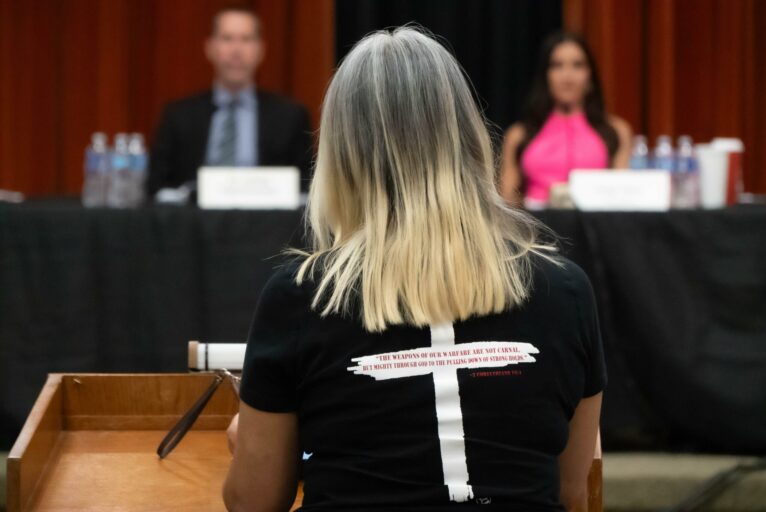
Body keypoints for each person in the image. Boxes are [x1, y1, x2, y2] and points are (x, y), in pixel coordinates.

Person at [223, 27, 605, 512]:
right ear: (467, 138)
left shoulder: (302, 297)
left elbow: (253, 502)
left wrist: (257, 447)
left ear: (341, 152)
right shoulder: (566, 291)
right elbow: (573, 491)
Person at [147, 6, 313, 197]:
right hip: (197, 222)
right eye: (227, 38)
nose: (236, 50)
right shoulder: (178, 116)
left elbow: (307, 187)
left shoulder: (290, 116)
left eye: (246, 39)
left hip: (268, 223)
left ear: (260, 50)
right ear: (210, 48)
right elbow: (156, 187)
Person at [499, 32, 633, 208]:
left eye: (577, 65)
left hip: (596, 229)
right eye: (557, 65)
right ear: (545, 75)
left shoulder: (616, 130)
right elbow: (507, 202)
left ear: (590, 75)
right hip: (537, 229)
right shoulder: (519, 135)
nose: (567, 76)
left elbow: (622, 199)